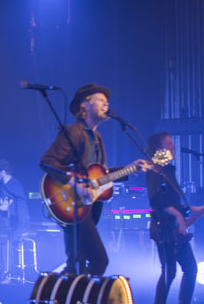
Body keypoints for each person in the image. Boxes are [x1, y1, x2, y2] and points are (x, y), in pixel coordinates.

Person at [40, 83, 150, 275]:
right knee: (99, 261)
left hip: (89, 207)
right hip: (71, 203)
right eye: (100, 100)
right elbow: (48, 162)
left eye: (107, 101)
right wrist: (75, 183)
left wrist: (131, 168)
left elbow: (100, 175)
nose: (106, 103)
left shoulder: (96, 137)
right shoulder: (73, 132)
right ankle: (78, 292)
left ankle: (74, 291)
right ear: (85, 105)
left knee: (78, 262)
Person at [146, 132, 204, 304]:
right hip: (163, 228)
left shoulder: (169, 170)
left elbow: (176, 205)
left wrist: (203, 207)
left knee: (191, 268)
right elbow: (156, 200)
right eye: (169, 144)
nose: (173, 147)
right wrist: (178, 215)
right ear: (159, 149)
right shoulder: (154, 169)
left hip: (174, 229)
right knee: (169, 272)